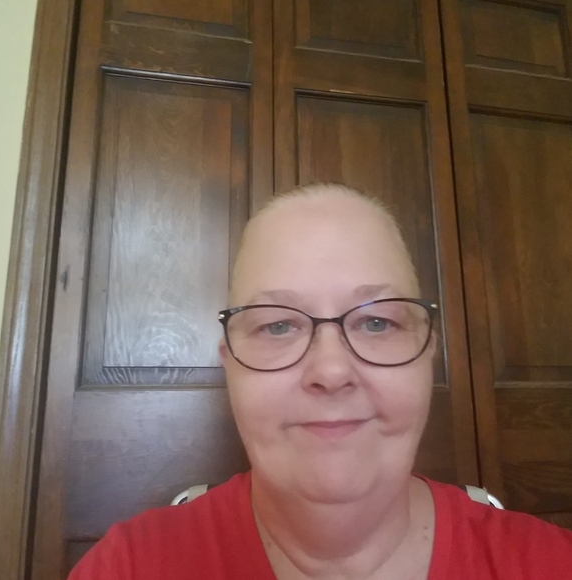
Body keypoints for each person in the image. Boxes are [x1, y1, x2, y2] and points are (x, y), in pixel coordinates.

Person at [68, 183, 572, 580]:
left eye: (377, 322)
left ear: (429, 353)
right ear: (230, 365)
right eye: (277, 326)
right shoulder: (128, 567)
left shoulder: (549, 564)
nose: (331, 372)